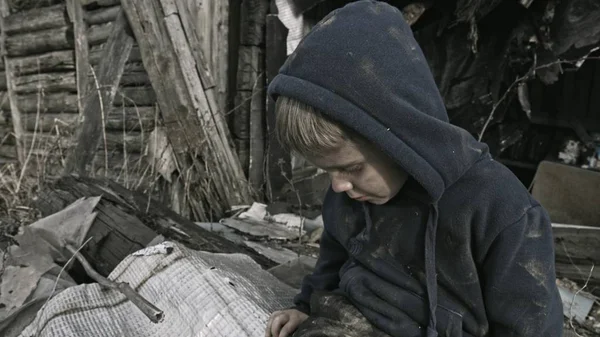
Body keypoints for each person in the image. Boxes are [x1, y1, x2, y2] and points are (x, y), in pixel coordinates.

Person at [264, 1, 564, 336]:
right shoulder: (352, 193)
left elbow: (530, 326)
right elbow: (331, 265)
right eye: (328, 171)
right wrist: (303, 307)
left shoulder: (501, 212)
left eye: (352, 168)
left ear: (399, 136)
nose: (338, 187)